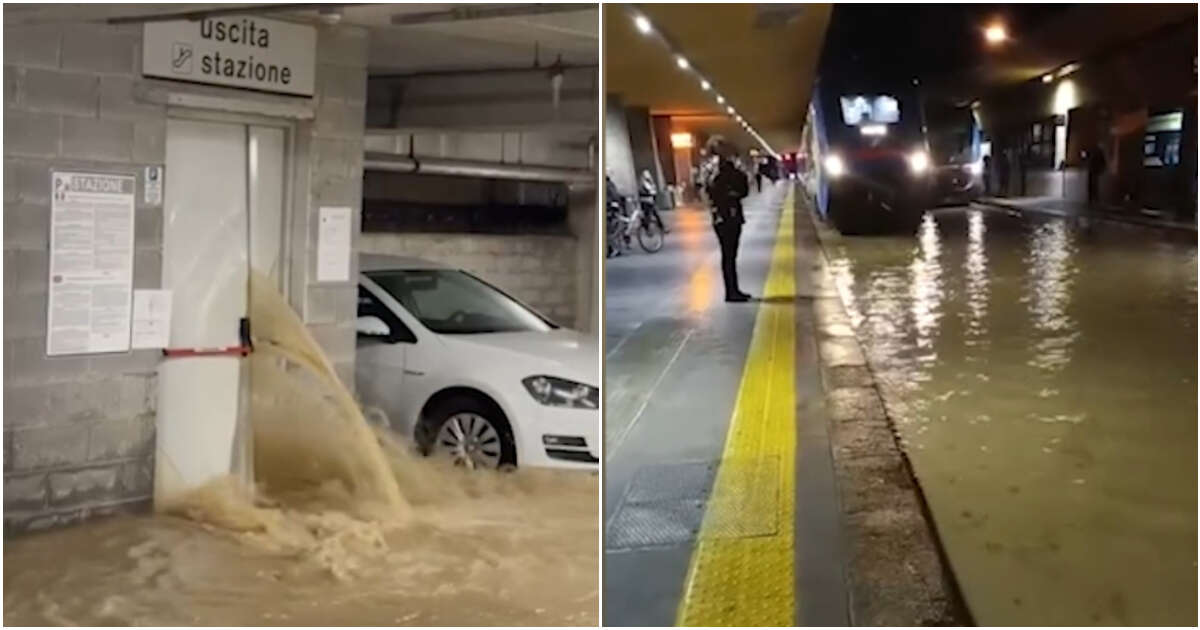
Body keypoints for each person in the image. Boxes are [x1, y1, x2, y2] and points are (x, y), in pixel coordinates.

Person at [705, 137, 750, 302]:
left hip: (721, 217)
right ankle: (732, 291)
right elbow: (743, 189)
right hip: (729, 216)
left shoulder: (709, 170)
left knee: (729, 255)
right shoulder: (726, 170)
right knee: (729, 255)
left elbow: (710, 192)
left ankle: (733, 289)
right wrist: (731, 193)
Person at [1086, 143, 1107, 207]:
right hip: (1094, 169)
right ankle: (1093, 197)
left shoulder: (1095, 152)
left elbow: (1102, 161)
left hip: (1093, 168)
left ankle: (1092, 196)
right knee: (1094, 182)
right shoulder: (1098, 152)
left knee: (1093, 182)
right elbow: (1103, 161)